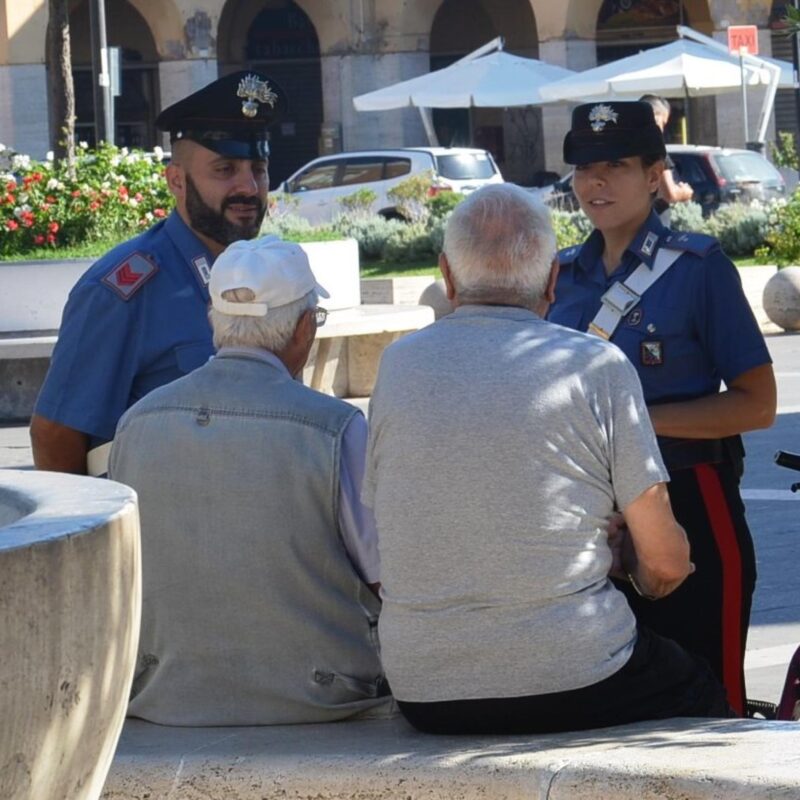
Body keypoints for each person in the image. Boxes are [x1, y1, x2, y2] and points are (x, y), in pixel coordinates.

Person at [362, 183, 731, 735]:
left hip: (425, 686)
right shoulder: (595, 366)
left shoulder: (396, 367)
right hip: (576, 672)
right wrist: (629, 564)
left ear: (446, 273)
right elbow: (667, 562)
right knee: (704, 694)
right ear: (553, 281)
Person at [548, 101, 777, 716]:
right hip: (589, 518)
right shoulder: (558, 277)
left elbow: (759, 405)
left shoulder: (700, 269)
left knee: (710, 700)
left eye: (616, 165)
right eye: (585, 167)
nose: (596, 182)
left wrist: (634, 428)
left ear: (655, 175)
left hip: (691, 498)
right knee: (608, 705)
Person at [108, 236, 391, 725]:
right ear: (304, 328)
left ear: (214, 319)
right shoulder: (337, 428)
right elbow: (387, 573)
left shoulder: (137, 422)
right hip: (322, 696)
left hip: (165, 697)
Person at [30, 70, 287, 476]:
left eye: (258, 167)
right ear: (176, 181)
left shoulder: (267, 274)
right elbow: (55, 433)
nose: (249, 187)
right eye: (224, 170)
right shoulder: (122, 290)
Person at [639, 94, 693, 221]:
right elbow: (669, 194)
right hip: (654, 222)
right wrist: (685, 192)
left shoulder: (624, 149)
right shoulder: (656, 150)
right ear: (655, 117)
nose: (662, 130)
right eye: (662, 123)